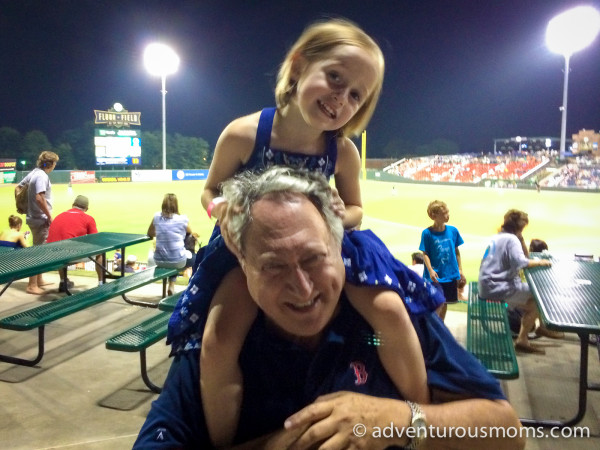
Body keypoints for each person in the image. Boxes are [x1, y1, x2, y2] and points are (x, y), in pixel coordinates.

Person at [166, 19, 443, 446]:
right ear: (298, 66)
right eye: (335, 77)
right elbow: (210, 190)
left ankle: (416, 427)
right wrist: (219, 208)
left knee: (389, 311)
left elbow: (355, 211)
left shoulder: (343, 151)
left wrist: (340, 214)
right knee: (219, 342)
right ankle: (223, 442)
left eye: (356, 95)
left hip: (326, 245)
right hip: (251, 252)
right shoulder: (244, 133)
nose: (341, 98)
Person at [135, 168, 525, 449]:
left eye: (313, 258)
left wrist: (399, 420)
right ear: (242, 265)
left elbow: (506, 431)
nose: (302, 288)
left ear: (341, 249)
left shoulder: (395, 317)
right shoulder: (220, 342)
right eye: (273, 265)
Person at [478, 210, 562, 355]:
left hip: (490, 285)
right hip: (497, 286)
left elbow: (525, 255)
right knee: (539, 297)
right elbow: (521, 262)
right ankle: (527, 336)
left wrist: (521, 238)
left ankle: (538, 329)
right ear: (520, 226)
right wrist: (540, 262)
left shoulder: (501, 236)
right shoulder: (511, 239)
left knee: (534, 300)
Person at [15, 150, 59, 294]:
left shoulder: (35, 172)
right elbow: (40, 198)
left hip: (33, 217)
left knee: (40, 249)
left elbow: (18, 187)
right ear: (50, 163)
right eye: (54, 163)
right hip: (40, 219)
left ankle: (39, 280)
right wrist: (49, 216)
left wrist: (21, 205)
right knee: (38, 252)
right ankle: (32, 285)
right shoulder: (41, 176)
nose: (55, 166)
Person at [419, 200, 466, 321]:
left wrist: (460, 270)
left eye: (447, 212)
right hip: (434, 276)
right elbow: (425, 254)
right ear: (434, 216)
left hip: (450, 274)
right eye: (444, 213)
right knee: (434, 302)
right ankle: (433, 325)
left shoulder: (453, 231)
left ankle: (441, 323)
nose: (447, 215)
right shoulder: (427, 233)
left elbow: (456, 251)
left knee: (445, 302)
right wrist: (430, 270)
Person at [46, 195, 103, 292]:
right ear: (86, 208)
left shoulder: (59, 216)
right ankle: (101, 283)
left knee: (59, 247)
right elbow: (95, 240)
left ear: (73, 205)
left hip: (51, 254)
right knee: (100, 252)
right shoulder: (88, 218)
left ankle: (63, 281)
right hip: (67, 254)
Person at [147, 193, 195, 295]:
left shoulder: (156, 217)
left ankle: (171, 285)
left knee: (174, 256)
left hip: (159, 261)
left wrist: (163, 232)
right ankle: (192, 288)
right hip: (177, 261)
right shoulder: (183, 219)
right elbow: (190, 231)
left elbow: (150, 233)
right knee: (194, 258)